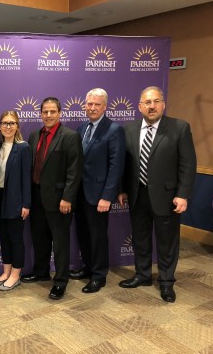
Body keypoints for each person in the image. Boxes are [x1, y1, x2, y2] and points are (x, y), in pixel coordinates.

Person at [118, 86, 196, 303]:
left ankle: (166, 282)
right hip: (138, 195)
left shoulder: (179, 128)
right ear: (139, 106)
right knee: (140, 239)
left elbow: (188, 164)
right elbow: (126, 164)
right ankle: (142, 275)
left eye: (156, 101)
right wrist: (123, 189)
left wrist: (183, 194)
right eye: (147, 102)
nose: (152, 106)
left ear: (163, 104)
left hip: (167, 197)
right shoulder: (130, 129)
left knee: (167, 242)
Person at [20, 97, 83, 300]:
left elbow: (74, 171)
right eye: (45, 112)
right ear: (40, 114)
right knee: (40, 238)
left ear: (59, 113)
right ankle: (41, 272)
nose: (48, 115)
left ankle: (60, 281)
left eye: (52, 112)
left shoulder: (70, 136)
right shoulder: (34, 135)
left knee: (61, 242)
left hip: (59, 200)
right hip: (37, 196)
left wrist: (67, 198)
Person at [71, 88, 125, 293]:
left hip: (99, 196)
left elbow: (116, 166)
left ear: (105, 106)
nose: (92, 108)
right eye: (89, 104)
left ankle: (99, 275)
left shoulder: (114, 130)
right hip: (80, 194)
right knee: (83, 233)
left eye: (97, 104)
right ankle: (87, 267)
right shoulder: (81, 127)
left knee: (98, 236)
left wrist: (107, 196)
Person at [0, 111, 31, 291]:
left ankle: (15, 275)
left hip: (15, 199)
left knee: (16, 239)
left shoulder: (23, 147)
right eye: (5, 123)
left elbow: (26, 178)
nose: (8, 126)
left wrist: (26, 204)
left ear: (17, 126)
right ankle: (6, 272)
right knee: (4, 237)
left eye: (12, 123)